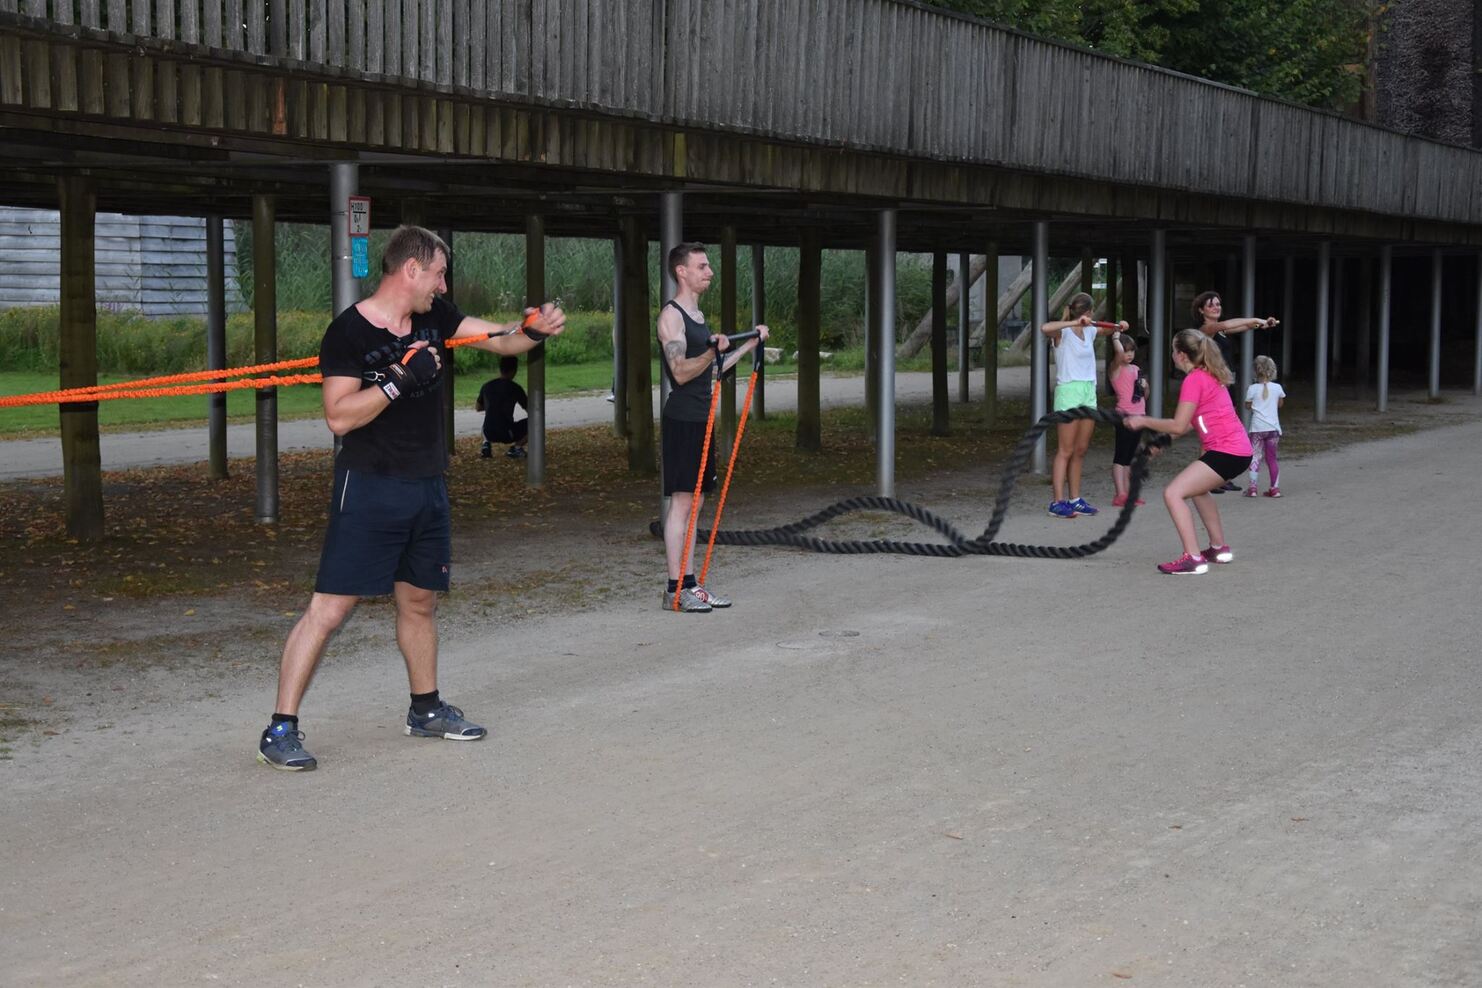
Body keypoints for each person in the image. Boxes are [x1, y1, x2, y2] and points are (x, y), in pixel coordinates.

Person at [256, 225, 565, 771]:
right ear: (412, 270)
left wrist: (533, 331)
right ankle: (280, 728)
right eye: (439, 274)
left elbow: (501, 339)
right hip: (369, 484)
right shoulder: (348, 332)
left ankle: (426, 709)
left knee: (420, 601)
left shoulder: (434, 318)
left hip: (427, 483)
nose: (443, 286)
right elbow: (338, 416)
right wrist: (398, 378)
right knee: (329, 609)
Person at [658, 242, 768, 613]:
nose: (709, 272)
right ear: (682, 271)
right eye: (702, 266)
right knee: (681, 503)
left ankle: (690, 583)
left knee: (697, 502)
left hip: (702, 419)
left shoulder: (699, 316)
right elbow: (680, 372)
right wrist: (710, 351)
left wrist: (748, 345)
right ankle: (674, 589)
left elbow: (713, 368)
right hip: (682, 420)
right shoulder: (672, 317)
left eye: (708, 266)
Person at [1124, 329, 1257, 575]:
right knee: (1197, 490)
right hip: (1237, 451)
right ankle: (1218, 548)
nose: (1172, 355)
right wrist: (1157, 445)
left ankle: (1193, 558)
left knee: (1173, 493)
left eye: (1173, 350)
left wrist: (1142, 421)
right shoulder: (1208, 375)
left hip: (1226, 452)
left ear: (1182, 355)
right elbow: (1187, 424)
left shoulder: (1194, 380)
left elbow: (1177, 424)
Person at [1040, 293, 1127, 519]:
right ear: (1087, 312)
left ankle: (1075, 500)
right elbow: (1044, 328)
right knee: (1065, 450)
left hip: (1088, 391)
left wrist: (1119, 326)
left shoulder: (1089, 330)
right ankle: (1057, 502)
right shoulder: (1063, 332)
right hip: (1069, 392)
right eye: (1091, 311)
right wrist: (1073, 322)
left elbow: (1106, 330)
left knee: (1080, 450)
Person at [1191, 290, 1275, 491]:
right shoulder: (1206, 329)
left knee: (1224, 431)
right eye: (1211, 305)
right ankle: (1205, 478)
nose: (1216, 307)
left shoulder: (1220, 332)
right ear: (1201, 310)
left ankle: (1220, 477)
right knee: (1211, 433)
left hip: (1225, 386)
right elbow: (1228, 324)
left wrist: (1261, 324)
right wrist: (1256, 320)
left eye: (1218, 304)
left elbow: (1242, 326)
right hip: (1212, 389)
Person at [1105, 329, 1148, 508]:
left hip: (1139, 416)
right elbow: (1118, 353)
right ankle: (1120, 494)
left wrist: (1144, 387)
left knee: (1130, 457)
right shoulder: (1115, 369)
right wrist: (1116, 336)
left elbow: (1144, 396)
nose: (1128, 354)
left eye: (1131, 351)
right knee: (1121, 456)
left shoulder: (1136, 369)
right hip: (1124, 416)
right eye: (1125, 350)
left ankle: (1128, 493)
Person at [1244, 355, 1286, 498]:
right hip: (1273, 428)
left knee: (1255, 457)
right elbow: (1280, 404)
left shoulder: (1252, 388)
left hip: (1257, 428)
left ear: (1255, 371)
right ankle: (1275, 488)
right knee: (1272, 459)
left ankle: (1252, 488)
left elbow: (1247, 406)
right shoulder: (1277, 388)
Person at [476, 355, 529, 459]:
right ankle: (516, 448)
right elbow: (531, 411)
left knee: (488, 420)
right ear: (514, 370)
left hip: (488, 432)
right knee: (535, 422)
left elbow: (478, 407)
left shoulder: (487, 386)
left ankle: (486, 444)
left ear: (500, 368)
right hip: (507, 433)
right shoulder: (515, 388)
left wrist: (493, 406)